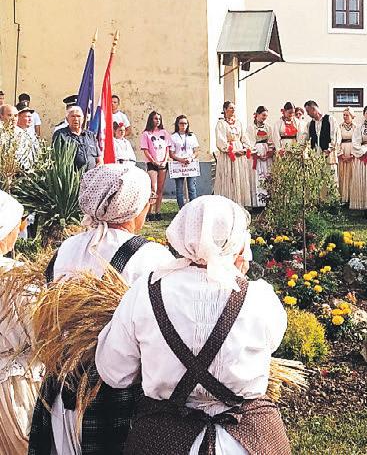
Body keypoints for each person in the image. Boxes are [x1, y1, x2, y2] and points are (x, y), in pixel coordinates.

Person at [95, 195, 291, 455]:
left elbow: (114, 372)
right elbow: (272, 343)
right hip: (247, 439)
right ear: (236, 242)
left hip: (162, 440)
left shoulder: (145, 291)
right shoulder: (259, 297)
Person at [28, 164, 175, 455]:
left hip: (62, 387)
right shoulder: (151, 257)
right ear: (132, 207)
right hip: (114, 395)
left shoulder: (67, 248)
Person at [0, 191, 41, 454]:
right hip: (14, 389)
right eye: (18, 224)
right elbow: (39, 332)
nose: (20, 229)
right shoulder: (18, 278)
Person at [213, 101, 252, 208]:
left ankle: (239, 203)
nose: (233, 110)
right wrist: (232, 151)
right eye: (230, 108)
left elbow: (244, 137)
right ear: (225, 110)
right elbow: (220, 140)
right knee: (228, 177)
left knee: (238, 177)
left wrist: (245, 148)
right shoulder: (221, 124)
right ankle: (227, 203)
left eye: (234, 108)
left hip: (239, 153)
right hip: (228, 155)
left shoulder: (238, 123)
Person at [140, 110, 171, 221]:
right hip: (152, 163)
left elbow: (167, 149)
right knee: (154, 187)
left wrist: (165, 160)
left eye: (159, 119)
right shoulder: (146, 134)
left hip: (163, 163)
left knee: (160, 189)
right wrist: (153, 161)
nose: (157, 121)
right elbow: (145, 150)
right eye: (155, 118)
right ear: (151, 120)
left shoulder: (164, 133)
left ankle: (158, 211)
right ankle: (149, 212)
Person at [52, 106, 102, 171]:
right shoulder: (60, 135)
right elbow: (56, 158)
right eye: (73, 116)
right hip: (71, 176)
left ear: (83, 119)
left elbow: (99, 159)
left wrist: (97, 169)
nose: (76, 119)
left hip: (92, 175)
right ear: (67, 119)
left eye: (78, 116)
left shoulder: (90, 135)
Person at [169, 115, 200, 209]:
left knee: (192, 188)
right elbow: (171, 153)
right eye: (181, 123)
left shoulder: (191, 136)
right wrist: (180, 160)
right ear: (177, 124)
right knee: (179, 189)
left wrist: (191, 158)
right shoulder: (173, 137)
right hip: (178, 165)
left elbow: (196, 151)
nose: (183, 125)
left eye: (185, 123)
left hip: (190, 164)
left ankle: (193, 209)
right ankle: (182, 209)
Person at [247, 106, 274, 209]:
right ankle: (257, 203)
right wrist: (256, 154)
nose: (264, 118)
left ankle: (267, 201)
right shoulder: (251, 128)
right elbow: (249, 142)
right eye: (263, 115)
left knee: (267, 174)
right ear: (257, 114)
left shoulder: (268, 127)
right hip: (256, 153)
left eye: (266, 116)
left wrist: (268, 153)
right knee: (257, 175)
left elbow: (271, 140)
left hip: (266, 153)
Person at [337, 107, 356, 205]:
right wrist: (340, 154)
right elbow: (337, 141)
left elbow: (358, 141)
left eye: (347, 115)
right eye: (343, 115)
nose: (345, 117)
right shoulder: (339, 127)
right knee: (342, 174)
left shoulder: (356, 127)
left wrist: (352, 154)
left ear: (352, 116)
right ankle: (343, 198)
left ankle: (352, 198)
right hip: (343, 151)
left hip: (352, 152)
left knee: (352, 174)